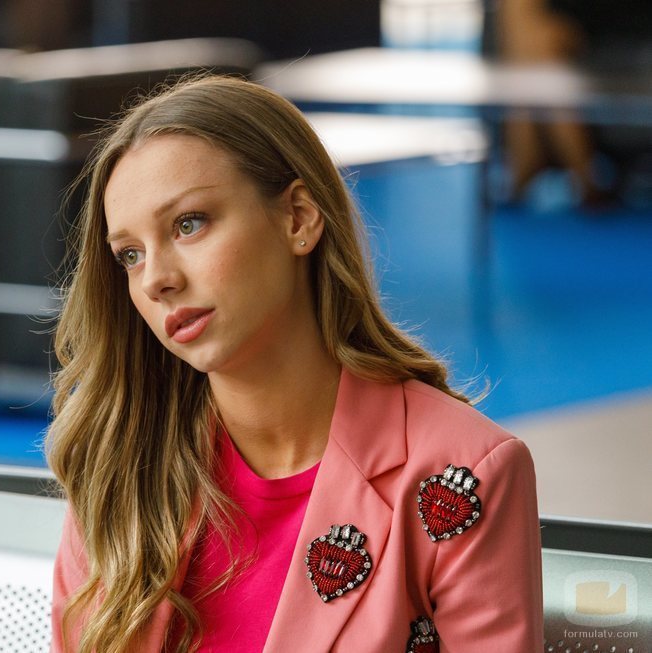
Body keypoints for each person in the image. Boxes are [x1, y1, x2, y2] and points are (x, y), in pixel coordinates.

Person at [45, 75, 543, 653]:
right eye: (130, 255)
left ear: (299, 218)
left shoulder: (463, 472)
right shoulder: (119, 467)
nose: (156, 279)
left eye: (189, 223)